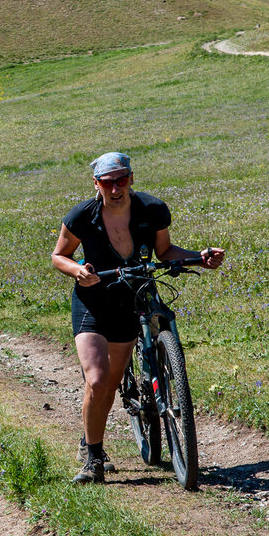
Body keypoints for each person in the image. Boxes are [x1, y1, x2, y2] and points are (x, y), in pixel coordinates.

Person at [51, 152, 224, 484]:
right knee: (98, 380)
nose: (116, 188)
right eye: (108, 182)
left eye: (122, 180)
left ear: (131, 178)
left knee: (112, 382)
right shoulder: (82, 217)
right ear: (96, 184)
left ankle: (108, 429)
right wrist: (78, 271)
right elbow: (60, 255)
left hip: (133, 298)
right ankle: (93, 456)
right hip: (93, 303)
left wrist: (198, 258)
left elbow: (165, 252)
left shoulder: (152, 210)